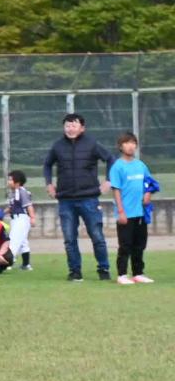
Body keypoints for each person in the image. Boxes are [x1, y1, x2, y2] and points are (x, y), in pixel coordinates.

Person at [43, 113, 113, 282]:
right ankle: (75, 271)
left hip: (89, 198)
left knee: (97, 236)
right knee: (69, 239)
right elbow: (47, 164)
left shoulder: (92, 144)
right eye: (67, 125)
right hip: (65, 199)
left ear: (82, 128)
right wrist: (49, 184)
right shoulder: (57, 146)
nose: (70, 128)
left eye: (74, 125)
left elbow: (110, 159)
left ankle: (103, 269)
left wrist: (109, 180)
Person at [109, 132, 153, 285]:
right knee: (125, 245)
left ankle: (138, 273)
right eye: (127, 143)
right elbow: (116, 190)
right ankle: (122, 275)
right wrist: (121, 211)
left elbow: (149, 183)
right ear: (120, 146)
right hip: (126, 213)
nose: (131, 146)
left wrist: (147, 194)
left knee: (139, 245)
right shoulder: (117, 167)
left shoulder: (141, 165)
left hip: (140, 212)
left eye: (133, 143)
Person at [3, 170, 35, 271]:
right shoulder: (12, 193)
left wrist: (32, 218)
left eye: (10, 180)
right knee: (23, 242)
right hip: (15, 219)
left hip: (21, 218)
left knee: (13, 240)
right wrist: (2, 213)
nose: (8, 182)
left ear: (17, 182)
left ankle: (8, 262)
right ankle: (26, 264)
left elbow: (29, 206)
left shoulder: (22, 192)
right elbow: (11, 207)